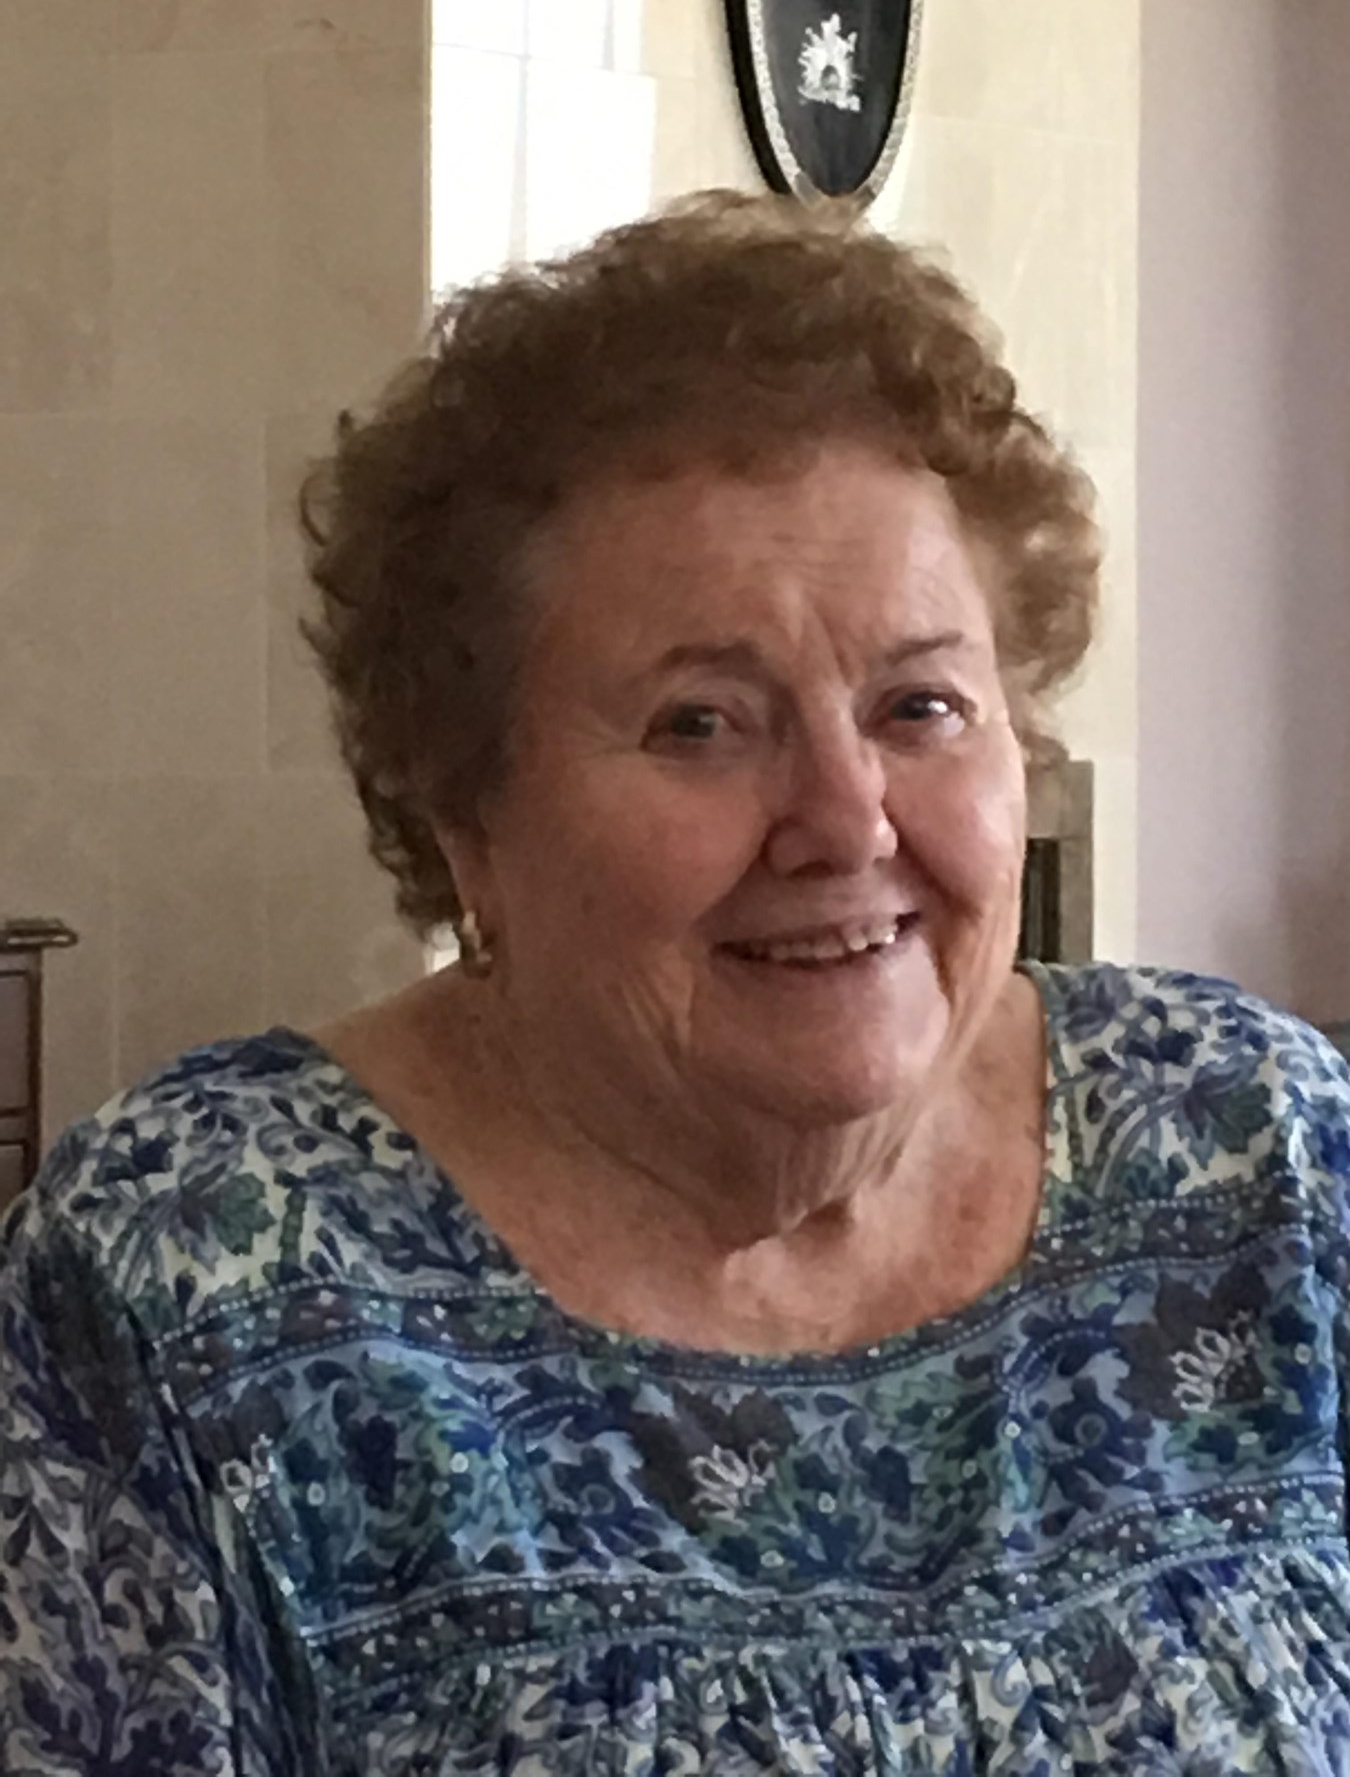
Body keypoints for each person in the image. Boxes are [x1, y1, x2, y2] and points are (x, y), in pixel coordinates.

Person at [3, 191, 1349, 1776]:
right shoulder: (188, 1278)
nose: (847, 820)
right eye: (699, 723)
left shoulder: (1257, 1147)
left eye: (918, 706)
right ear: (467, 812)